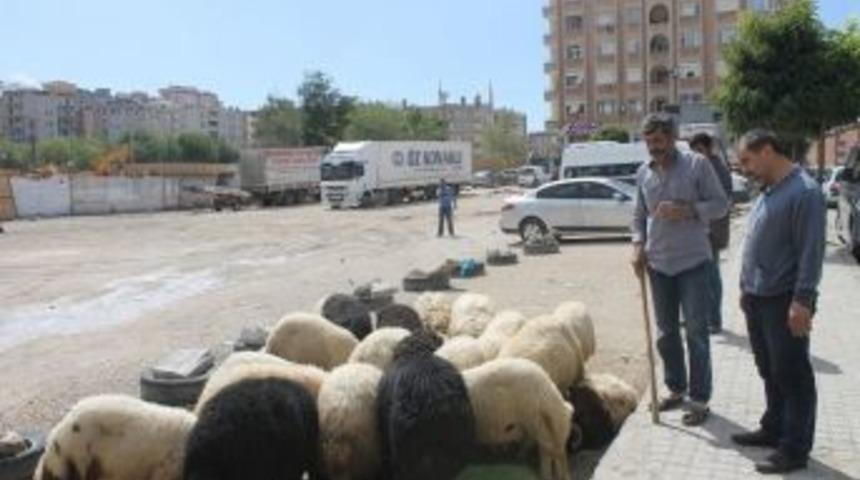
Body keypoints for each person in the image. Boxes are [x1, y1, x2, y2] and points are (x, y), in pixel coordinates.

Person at [730, 130, 825, 474]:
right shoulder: (769, 190)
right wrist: (745, 287)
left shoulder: (804, 192)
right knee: (769, 369)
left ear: (767, 150)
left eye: (747, 160)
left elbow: (811, 253)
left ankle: (795, 448)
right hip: (758, 296)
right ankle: (773, 428)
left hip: (785, 299)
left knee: (792, 374)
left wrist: (803, 301)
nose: (744, 169)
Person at [631, 113, 729, 426]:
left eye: (658, 141)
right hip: (658, 264)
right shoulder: (643, 173)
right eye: (648, 142)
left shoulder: (697, 165)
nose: (653, 148)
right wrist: (637, 244)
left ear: (672, 138)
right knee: (666, 333)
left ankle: (700, 400)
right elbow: (637, 216)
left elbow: (721, 204)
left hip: (693, 263)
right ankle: (676, 388)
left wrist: (688, 210)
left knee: (697, 332)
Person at [690, 133, 734, 334]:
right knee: (700, 276)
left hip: (712, 231)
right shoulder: (701, 166)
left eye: (699, 150)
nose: (696, 154)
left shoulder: (717, 168)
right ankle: (701, 316)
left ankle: (714, 320)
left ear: (709, 148)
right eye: (694, 151)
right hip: (701, 230)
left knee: (711, 277)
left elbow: (722, 202)